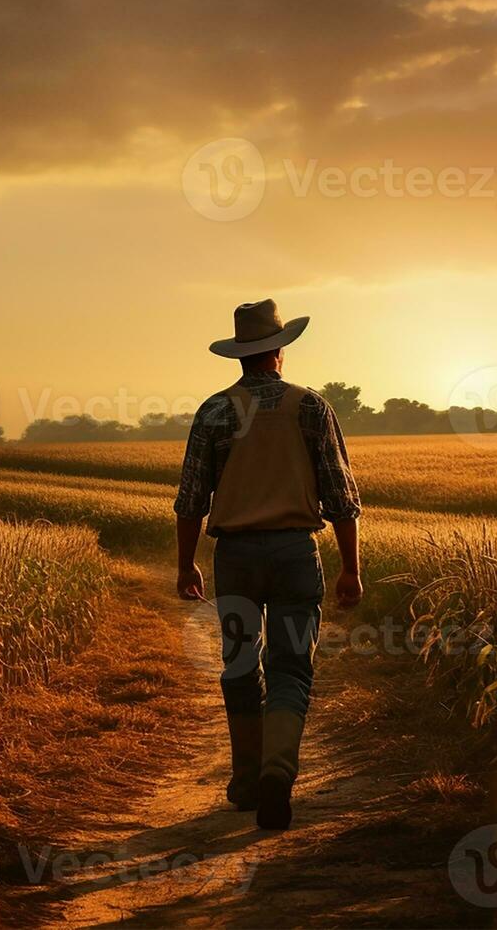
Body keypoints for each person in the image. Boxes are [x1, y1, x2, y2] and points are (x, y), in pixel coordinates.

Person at [173, 299, 363, 831]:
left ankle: (247, 781)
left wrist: (187, 565)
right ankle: (279, 771)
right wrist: (350, 567)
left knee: (239, 664)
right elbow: (340, 497)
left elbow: (191, 499)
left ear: (240, 357)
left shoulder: (213, 410)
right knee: (291, 667)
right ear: (278, 351)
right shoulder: (311, 408)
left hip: (234, 557)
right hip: (295, 555)